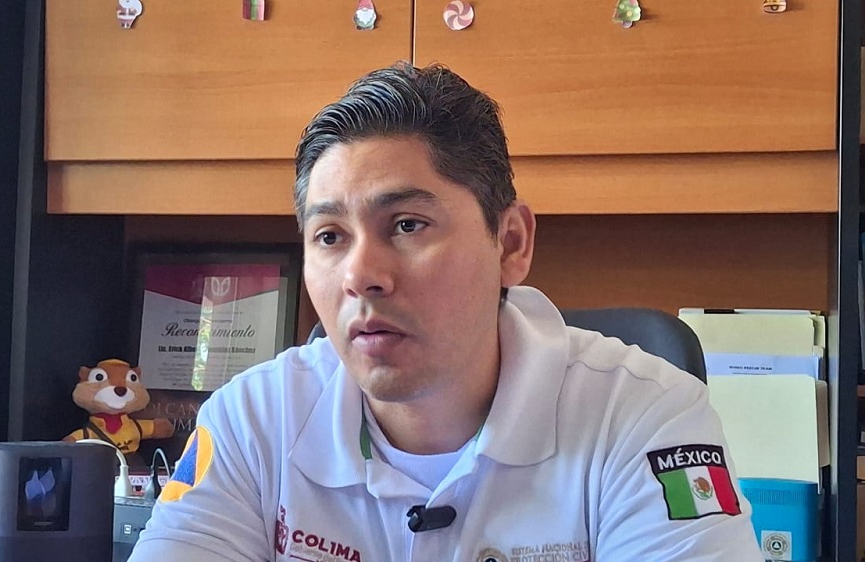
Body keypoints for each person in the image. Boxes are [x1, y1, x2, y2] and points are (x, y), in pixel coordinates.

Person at [129, 63, 763, 561]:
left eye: (407, 224)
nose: (360, 275)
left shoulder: (648, 420)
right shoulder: (253, 421)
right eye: (330, 236)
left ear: (510, 244)